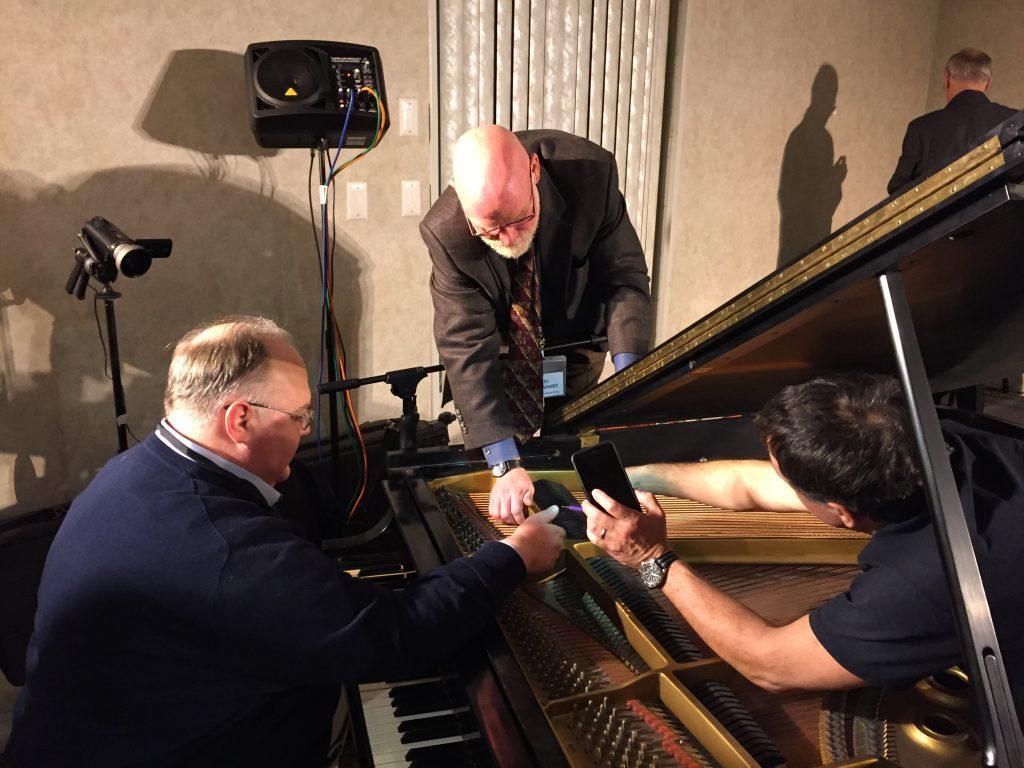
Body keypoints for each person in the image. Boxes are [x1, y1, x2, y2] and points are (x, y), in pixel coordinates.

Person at [6, 316, 564, 768]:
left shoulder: (131, 470)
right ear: (239, 419)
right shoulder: (222, 545)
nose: (304, 433)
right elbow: (395, 634)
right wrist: (512, 555)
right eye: (298, 418)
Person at [583, 373, 1023, 702]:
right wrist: (636, 478)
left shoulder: (925, 577)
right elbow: (749, 485)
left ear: (842, 513)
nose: (775, 478)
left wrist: (651, 558)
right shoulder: (923, 435)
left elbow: (769, 665)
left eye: (787, 478)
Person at [420, 126, 651, 527]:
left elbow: (624, 278)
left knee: (573, 458)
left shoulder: (591, 176)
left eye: (520, 218)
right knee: (508, 481)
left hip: (574, 339)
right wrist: (503, 462)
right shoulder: (445, 231)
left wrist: (632, 378)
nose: (508, 239)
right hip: (502, 356)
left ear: (534, 170)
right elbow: (465, 343)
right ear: (457, 191)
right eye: (490, 230)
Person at [888, 47, 1017, 195]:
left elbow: (898, 193)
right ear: (988, 82)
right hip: (1005, 217)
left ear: (947, 77)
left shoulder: (921, 128)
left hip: (937, 218)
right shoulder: (1015, 122)